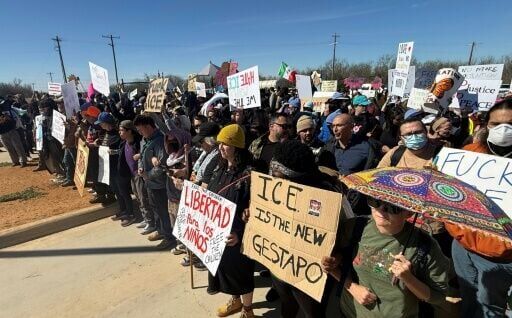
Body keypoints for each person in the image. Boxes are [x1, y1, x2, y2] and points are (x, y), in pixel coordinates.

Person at [338, 196, 451, 317]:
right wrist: (351, 286)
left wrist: (409, 279)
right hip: (350, 312)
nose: (381, 209)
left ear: (409, 213)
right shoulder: (356, 226)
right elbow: (328, 259)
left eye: (393, 207)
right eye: (375, 201)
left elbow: (438, 297)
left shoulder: (425, 246)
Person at [452, 98, 512, 317]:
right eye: (497, 124)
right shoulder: (470, 154)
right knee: (468, 298)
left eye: (511, 124)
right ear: (487, 125)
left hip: (500, 257)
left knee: (490, 308)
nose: (504, 130)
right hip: (462, 246)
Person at [207, 124, 255, 318]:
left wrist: (240, 233)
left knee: (242, 273)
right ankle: (236, 300)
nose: (221, 147)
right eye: (220, 143)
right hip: (221, 234)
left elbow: (256, 211)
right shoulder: (220, 168)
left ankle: (247, 309)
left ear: (236, 147)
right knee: (227, 272)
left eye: (226, 144)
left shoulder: (249, 174)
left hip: (239, 235)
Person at [134, 114, 175, 250]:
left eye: (141, 130)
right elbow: (141, 155)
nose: (140, 133)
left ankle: (169, 237)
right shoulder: (145, 140)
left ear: (148, 127)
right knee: (155, 209)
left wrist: (148, 175)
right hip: (149, 182)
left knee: (163, 211)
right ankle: (160, 230)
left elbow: (162, 166)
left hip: (160, 184)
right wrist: (141, 167)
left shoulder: (160, 141)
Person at [116, 120, 142, 226]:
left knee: (143, 197)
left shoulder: (138, 144)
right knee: (137, 196)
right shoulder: (124, 143)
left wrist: (140, 155)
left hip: (139, 175)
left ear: (130, 131)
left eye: (122, 130)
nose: (119, 132)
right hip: (131, 175)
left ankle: (151, 221)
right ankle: (145, 218)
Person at [0, 98, 27, 167]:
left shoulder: (7, 111)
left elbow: (13, 121)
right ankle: (15, 161)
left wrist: (6, 118)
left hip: (11, 130)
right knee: (9, 148)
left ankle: (23, 161)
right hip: (2, 133)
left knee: (18, 146)